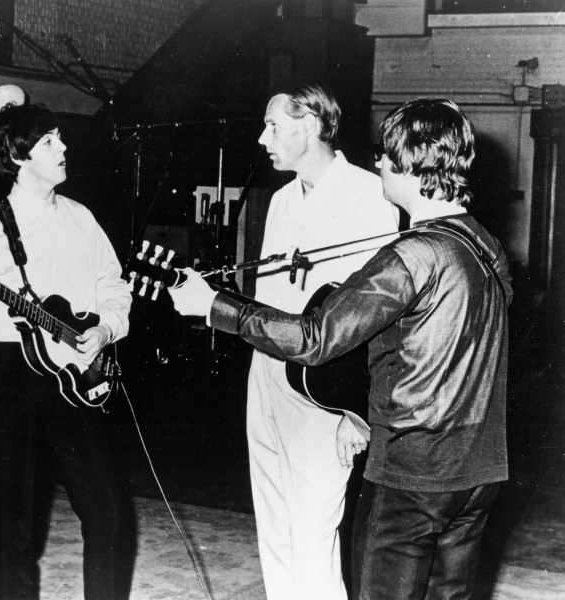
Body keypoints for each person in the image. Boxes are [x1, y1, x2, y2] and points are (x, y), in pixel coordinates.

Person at [170, 97, 511, 600]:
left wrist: (214, 305)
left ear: (409, 165)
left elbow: (314, 337)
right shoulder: (486, 244)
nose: (377, 165)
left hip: (411, 471)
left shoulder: (411, 254)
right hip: (477, 469)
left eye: (385, 156)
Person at [0, 97, 130, 600]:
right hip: (15, 378)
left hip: (79, 375)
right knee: (15, 529)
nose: (63, 146)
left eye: (60, 137)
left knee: (107, 514)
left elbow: (113, 285)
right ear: (19, 155)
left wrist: (107, 328)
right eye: (50, 141)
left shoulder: (81, 217)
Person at [237, 83, 399, 600]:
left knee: (312, 531)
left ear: (308, 126)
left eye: (273, 125)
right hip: (266, 377)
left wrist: (356, 411)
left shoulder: (370, 195)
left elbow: (378, 318)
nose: (263, 138)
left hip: (324, 389)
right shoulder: (281, 199)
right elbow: (266, 300)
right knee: (275, 523)